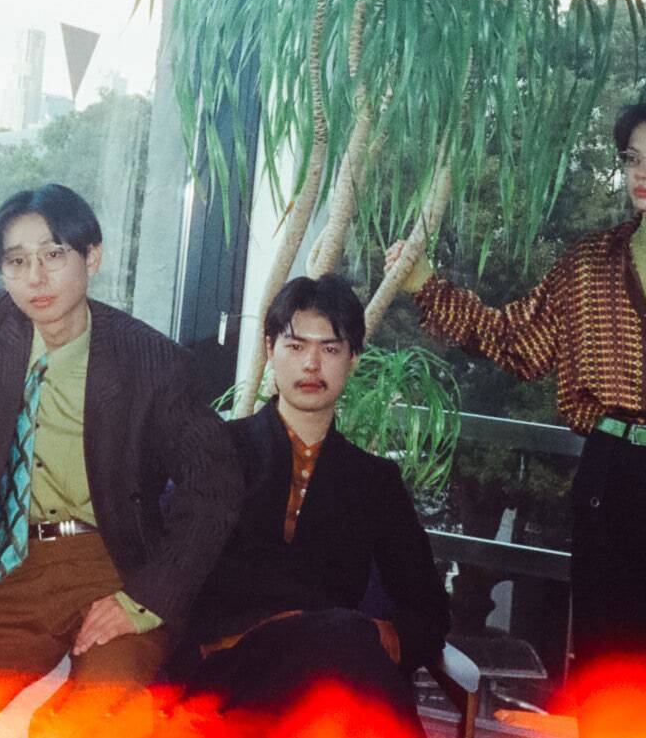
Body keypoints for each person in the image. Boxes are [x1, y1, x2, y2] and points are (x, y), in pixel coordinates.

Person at [385, 98, 646, 733]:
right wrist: (426, 286)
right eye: (631, 158)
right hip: (611, 476)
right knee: (603, 670)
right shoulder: (590, 263)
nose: (640, 172)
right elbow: (520, 341)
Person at [0, 183, 241, 734]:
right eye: (16, 261)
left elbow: (215, 485)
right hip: (7, 566)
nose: (35, 278)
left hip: (112, 563)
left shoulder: (152, 360)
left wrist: (145, 600)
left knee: (98, 719)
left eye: (53, 255)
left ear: (92, 257)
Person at [165, 274, 450, 735]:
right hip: (228, 669)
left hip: (330, 671)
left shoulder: (374, 481)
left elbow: (429, 609)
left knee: (346, 645)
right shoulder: (218, 452)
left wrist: (387, 636)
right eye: (296, 346)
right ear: (269, 349)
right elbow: (166, 571)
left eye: (330, 349)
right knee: (350, 647)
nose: (312, 364)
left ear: (354, 359)